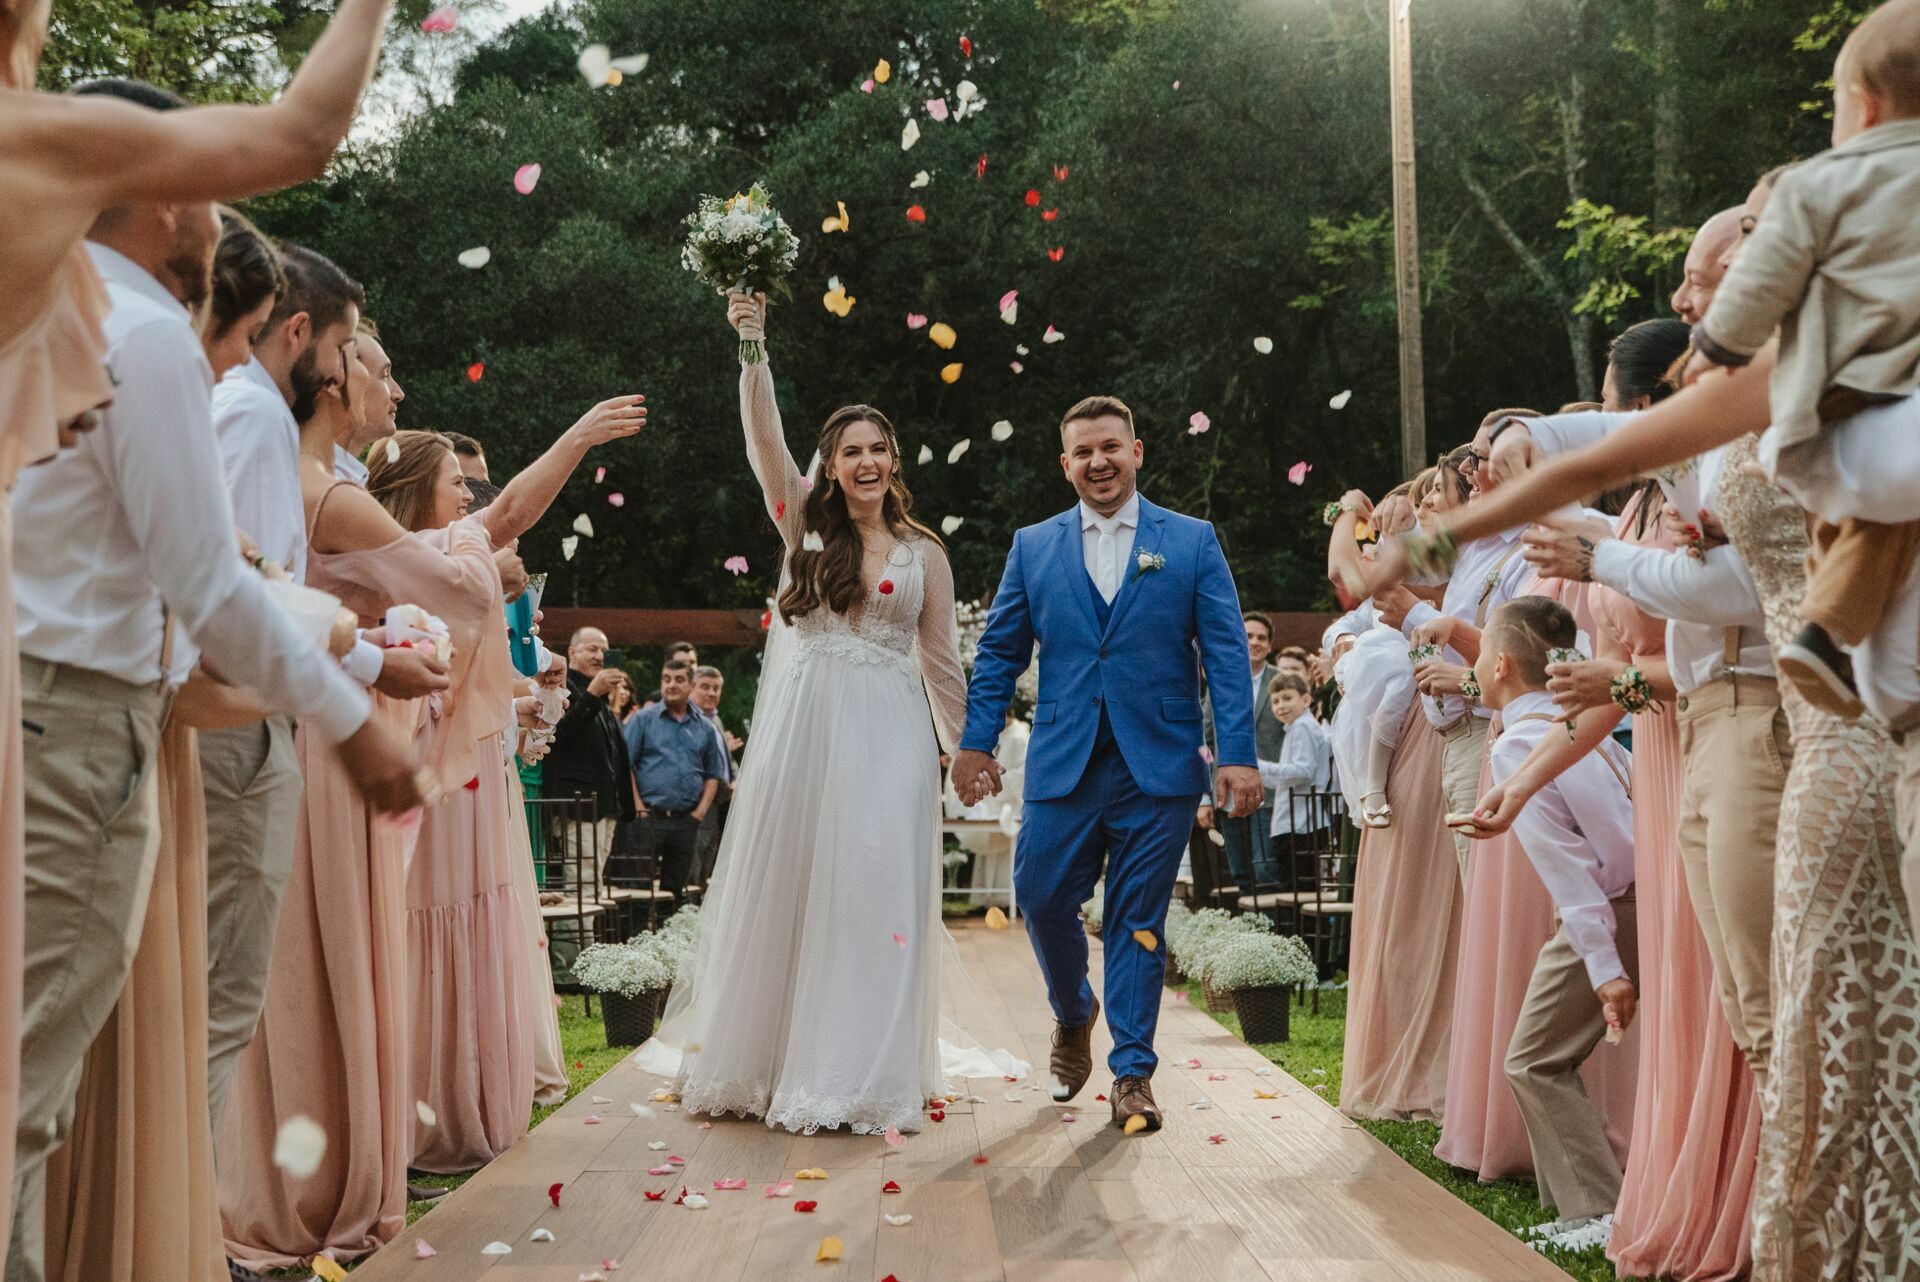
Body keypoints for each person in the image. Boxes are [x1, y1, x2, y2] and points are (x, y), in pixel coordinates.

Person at [1419, 165, 1920, 1282]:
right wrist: (1526, 447)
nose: (1696, 298)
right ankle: (1815, 1242)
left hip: (1798, 724)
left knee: (1807, 1016)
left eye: (1721, 265)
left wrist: (1598, 550)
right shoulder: (1762, 394)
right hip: (1735, 726)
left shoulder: (1846, 381)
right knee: (1769, 1012)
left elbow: (1748, 564)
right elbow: (1623, 444)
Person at [8, 80, 422, 1282]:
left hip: (59, 714)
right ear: (165, 195)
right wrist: (354, 713)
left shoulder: (49, 316)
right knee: (29, 1090)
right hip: (88, 727)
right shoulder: (138, 334)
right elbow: (210, 584)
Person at [632, 291, 1025, 1135]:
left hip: (890, 739)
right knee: (797, 885)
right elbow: (763, 443)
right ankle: (777, 1062)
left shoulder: (925, 555)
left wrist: (968, 750)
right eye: (851, 451)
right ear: (832, 464)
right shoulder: (803, 530)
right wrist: (752, 347)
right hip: (807, 735)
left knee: (875, 891)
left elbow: (940, 663)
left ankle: (865, 1069)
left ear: (894, 461)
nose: (866, 461)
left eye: (878, 448)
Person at [952, 391, 1261, 1133]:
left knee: (1136, 917)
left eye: (1110, 447)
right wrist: (976, 742)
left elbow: (1226, 654)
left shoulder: (1191, 541)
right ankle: (1073, 1012)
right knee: (1040, 893)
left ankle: (1132, 1074)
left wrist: (1237, 755)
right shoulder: (1034, 546)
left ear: (1137, 452)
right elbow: (998, 654)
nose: (1099, 462)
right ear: (1065, 465)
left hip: (1159, 764)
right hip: (1065, 758)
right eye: (1084, 452)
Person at [1688, 1, 1920, 717]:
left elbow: (1761, 279)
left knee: (1873, 525)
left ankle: (1831, 636)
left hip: (1834, 409)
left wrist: (1716, 347)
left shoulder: (1824, 182)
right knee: (1880, 527)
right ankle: (1846, 647)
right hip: (1882, 409)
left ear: (1863, 105)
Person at [1476, 597, 1638, 1255]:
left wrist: (1604, 966)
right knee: (1541, 1058)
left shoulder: (1519, 745)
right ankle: (1580, 1209)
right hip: (1625, 900)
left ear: (1502, 664)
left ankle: (1598, 1211)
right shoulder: (1579, 725)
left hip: (1604, 908)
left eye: (1480, 651)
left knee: (1533, 1059)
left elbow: (1570, 866)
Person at [623, 657, 725, 907]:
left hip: (686, 820)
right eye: (666, 679)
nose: (671, 685)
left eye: (679, 680)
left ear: (691, 685)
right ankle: (638, 932)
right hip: (648, 816)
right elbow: (626, 766)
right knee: (638, 892)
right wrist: (638, 808)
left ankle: (668, 932)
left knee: (675, 892)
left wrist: (698, 814)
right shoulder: (643, 719)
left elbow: (713, 774)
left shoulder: (705, 728)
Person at [545, 626, 636, 884]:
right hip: (577, 808)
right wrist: (592, 695)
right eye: (592, 649)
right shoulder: (561, 685)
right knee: (582, 888)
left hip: (604, 808)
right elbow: (557, 736)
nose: (600, 656)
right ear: (572, 653)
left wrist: (623, 804)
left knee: (593, 886)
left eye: (605, 651)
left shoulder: (601, 697)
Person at [1199, 612, 1282, 889]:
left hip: (1271, 794)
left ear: (1270, 645)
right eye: (1248, 636)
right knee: (1239, 871)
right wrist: (1205, 796)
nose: (1254, 642)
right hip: (1227, 791)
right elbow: (1205, 742)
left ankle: (1270, 918)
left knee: (1266, 869)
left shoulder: (1282, 681)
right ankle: (1248, 917)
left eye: (1261, 638)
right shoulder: (1220, 683)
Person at [1255, 673, 1332, 891]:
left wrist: (1260, 766)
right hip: (1295, 822)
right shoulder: (1295, 727)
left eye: (1287, 698)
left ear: (1306, 700)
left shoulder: (1302, 726)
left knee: (1298, 887)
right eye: (1276, 701)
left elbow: (1303, 770)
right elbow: (1285, 780)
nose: (1281, 706)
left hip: (1301, 824)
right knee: (1295, 885)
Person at [690, 664, 738, 883]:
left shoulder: (715, 719)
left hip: (721, 801)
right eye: (705, 687)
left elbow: (725, 757)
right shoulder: (690, 719)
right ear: (692, 687)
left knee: (711, 851)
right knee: (697, 852)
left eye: (716, 688)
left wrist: (736, 779)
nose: (711, 693)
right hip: (700, 798)